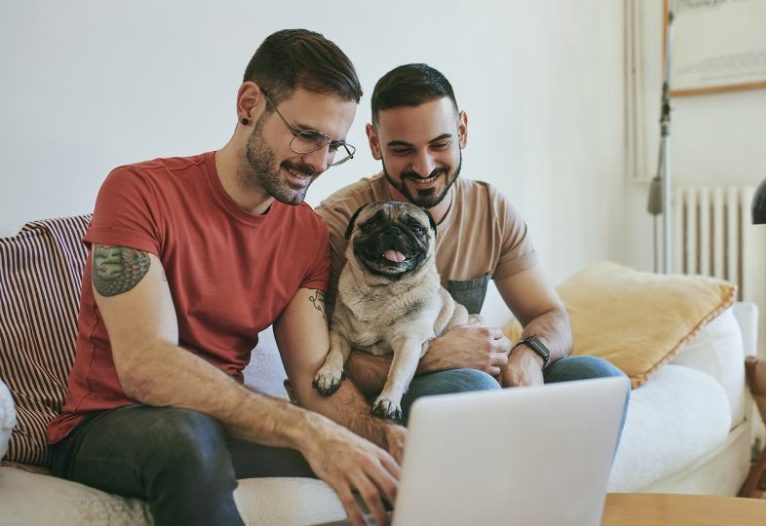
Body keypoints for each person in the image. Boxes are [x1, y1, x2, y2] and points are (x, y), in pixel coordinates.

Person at [47, 29, 402, 526]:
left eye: (334, 146)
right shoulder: (138, 190)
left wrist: (380, 439)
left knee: (375, 469)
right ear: (250, 103)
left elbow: (314, 375)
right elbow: (146, 364)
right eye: (306, 135)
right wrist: (303, 428)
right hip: (108, 424)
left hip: (221, 426)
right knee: (189, 438)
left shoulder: (304, 233)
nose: (319, 163)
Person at [317, 64, 627, 421]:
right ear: (374, 143)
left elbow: (550, 315)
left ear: (462, 131)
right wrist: (435, 356)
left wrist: (529, 356)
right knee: (472, 390)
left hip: (481, 372)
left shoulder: (491, 209)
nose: (424, 166)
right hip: (399, 388)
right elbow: (315, 358)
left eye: (439, 144)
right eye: (402, 149)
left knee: (601, 381)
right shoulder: (341, 222)